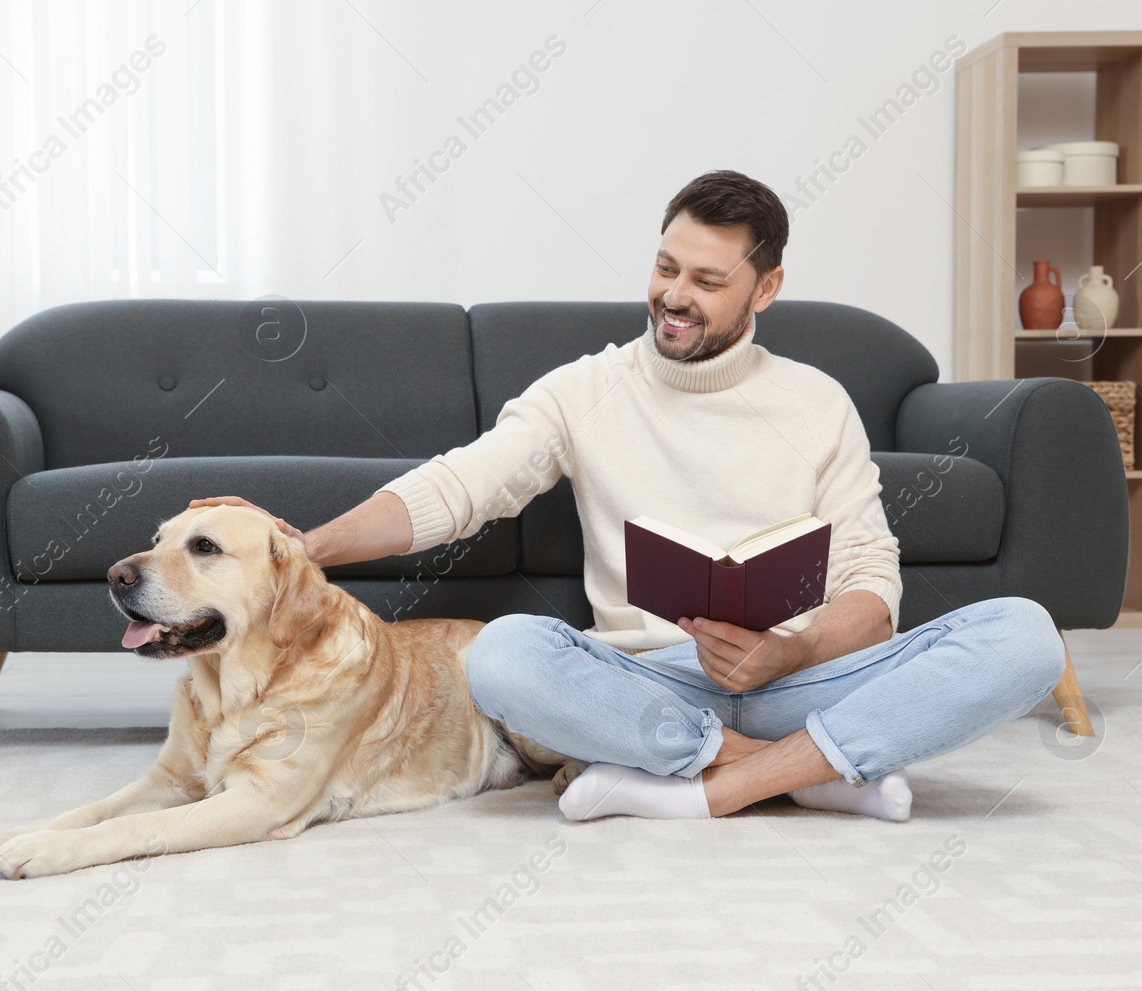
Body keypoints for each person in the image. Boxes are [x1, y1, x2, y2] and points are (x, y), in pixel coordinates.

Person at [192, 170, 1066, 824]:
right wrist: (303, 547)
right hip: (649, 688)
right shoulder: (586, 389)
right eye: (664, 267)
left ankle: (710, 789)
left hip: (804, 676)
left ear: (765, 290)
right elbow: (462, 486)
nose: (674, 297)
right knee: (502, 658)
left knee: (1025, 633)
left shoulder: (816, 400)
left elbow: (875, 589)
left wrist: (786, 655)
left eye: (707, 281)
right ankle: (811, 774)